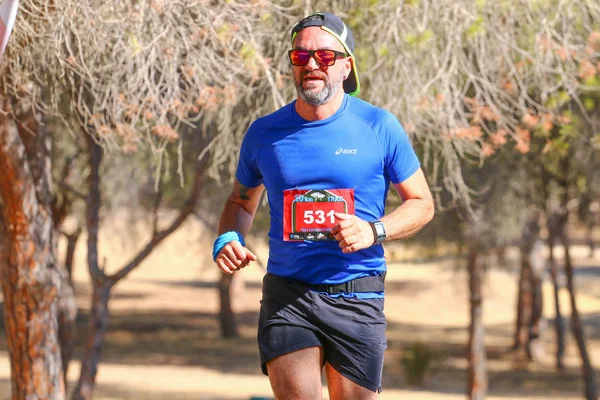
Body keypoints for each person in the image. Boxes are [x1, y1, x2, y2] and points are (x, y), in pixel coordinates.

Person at [213, 11, 434, 400]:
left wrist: (373, 230)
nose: (312, 65)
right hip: (288, 294)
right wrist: (228, 236)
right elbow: (240, 202)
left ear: (346, 66)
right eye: (301, 57)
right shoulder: (265, 133)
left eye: (325, 57)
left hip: (357, 294)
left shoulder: (379, 127)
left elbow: (422, 204)